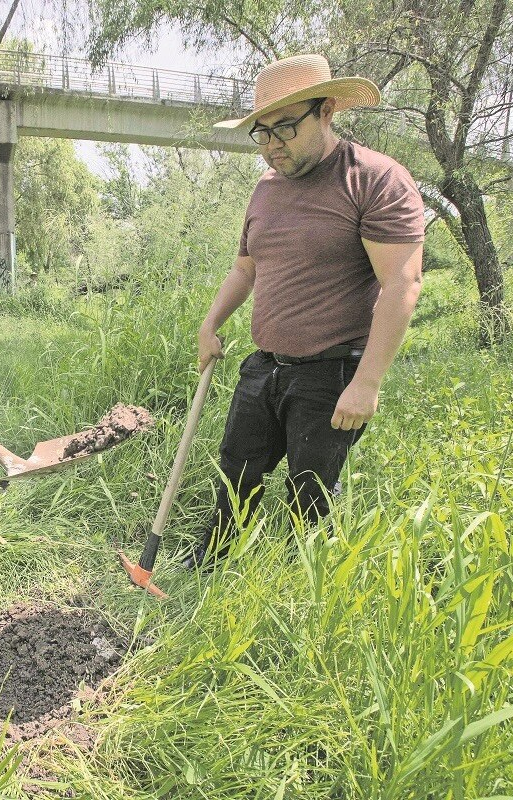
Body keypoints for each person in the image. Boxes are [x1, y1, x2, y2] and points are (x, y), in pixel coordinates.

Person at [185, 54, 425, 569]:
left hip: (331, 371)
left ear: (327, 110)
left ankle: (301, 586)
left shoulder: (375, 179)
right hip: (264, 364)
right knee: (237, 470)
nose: (272, 144)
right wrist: (210, 325)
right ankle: (210, 562)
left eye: (286, 127)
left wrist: (368, 382)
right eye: (262, 132)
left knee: (311, 492)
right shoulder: (266, 190)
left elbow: (401, 282)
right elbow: (244, 271)